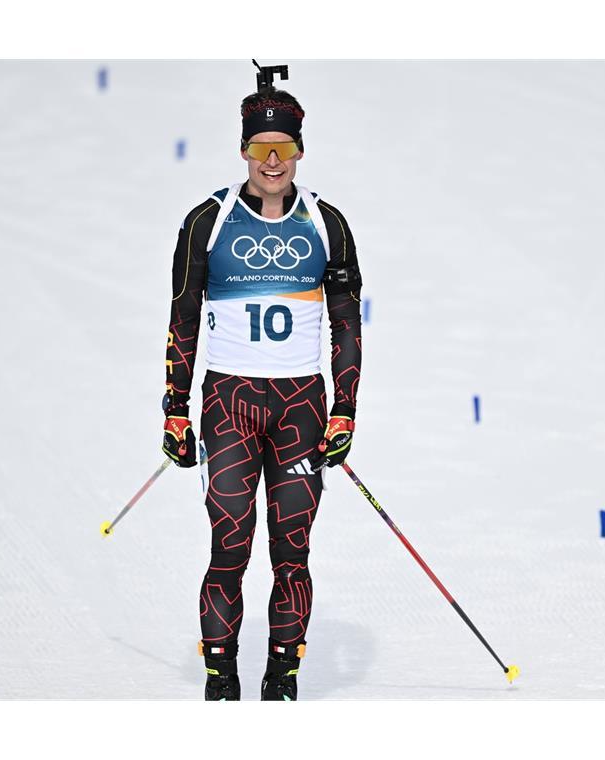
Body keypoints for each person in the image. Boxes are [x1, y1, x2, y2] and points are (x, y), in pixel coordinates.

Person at [161, 81, 363, 700]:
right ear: (243, 150)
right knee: (229, 545)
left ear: (300, 150)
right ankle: (221, 678)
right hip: (229, 404)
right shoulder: (209, 221)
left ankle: (282, 677)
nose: (272, 161)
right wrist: (175, 408)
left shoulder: (326, 224)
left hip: (300, 407)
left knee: (291, 551)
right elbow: (183, 318)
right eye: (259, 147)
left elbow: (346, 324)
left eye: (284, 147)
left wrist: (344, 410)